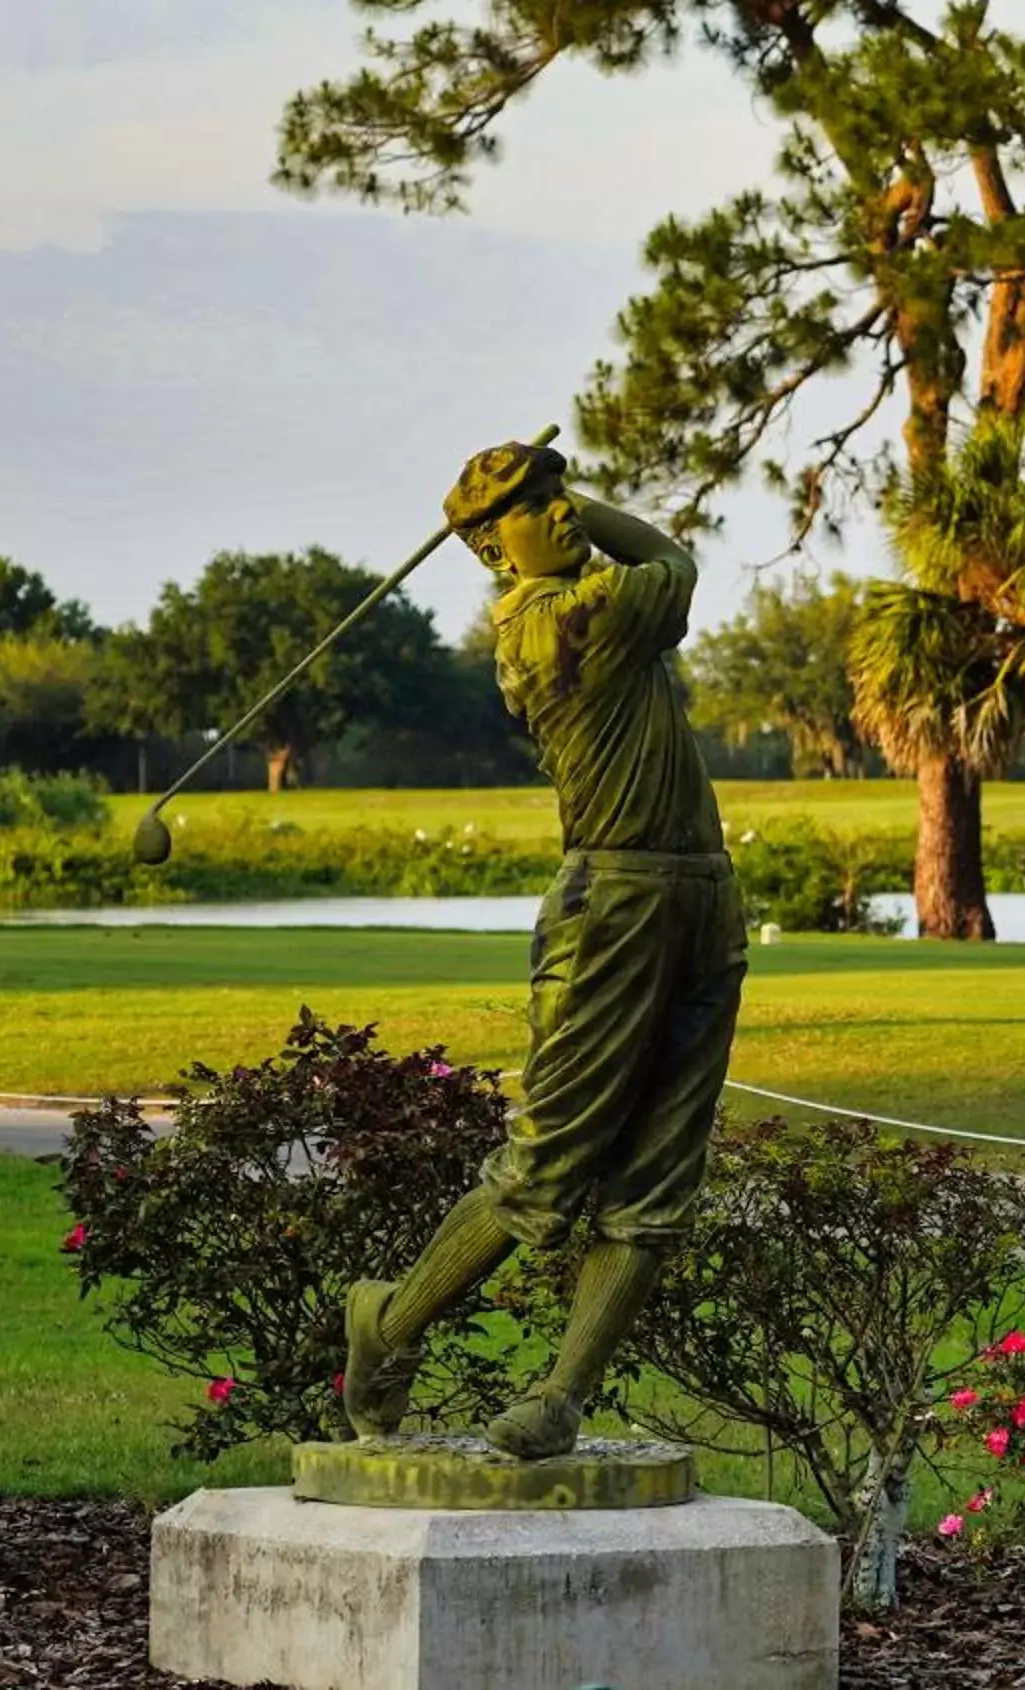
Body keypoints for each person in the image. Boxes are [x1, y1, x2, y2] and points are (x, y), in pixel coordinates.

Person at [342, 441, 747, 1460]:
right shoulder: (558, 622)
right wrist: (589, 519)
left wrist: (561, 509)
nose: (561, 510)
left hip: (699, 894)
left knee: (658, 1182)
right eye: (533, 504)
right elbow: (675, 564)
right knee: (543, 1179)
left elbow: (665, 564)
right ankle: (386, 1327)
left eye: (559, 491)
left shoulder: (589, 599)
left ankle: (563, 1394)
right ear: (489, 544)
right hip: (611, 905)